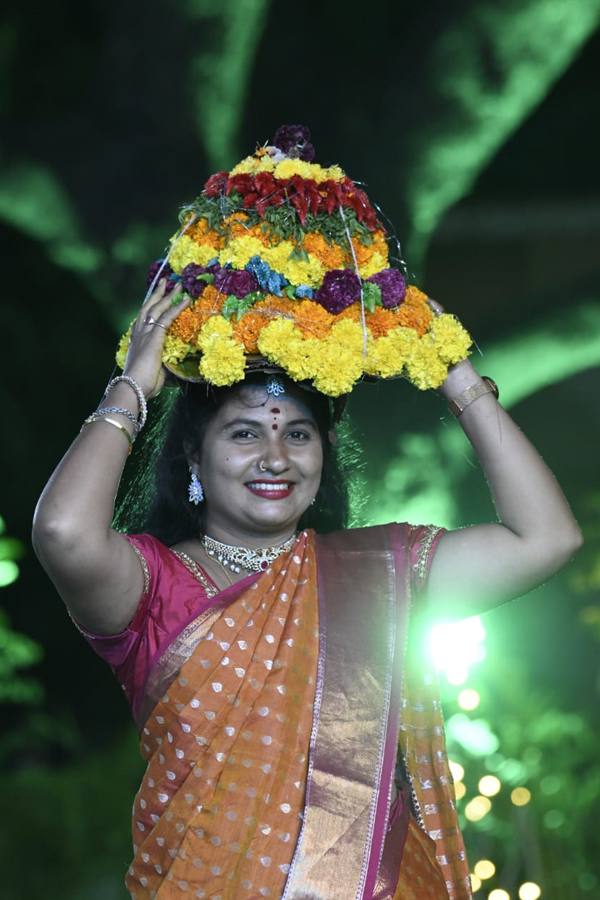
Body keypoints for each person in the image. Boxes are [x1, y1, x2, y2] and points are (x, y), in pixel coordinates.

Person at [32, 126, 582, 900]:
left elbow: (546, 538)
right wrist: (134, 389)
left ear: (323, 457)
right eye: (245, 434)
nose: (276, 456)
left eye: (298, 434)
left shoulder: (372, 572)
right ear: (193, 458)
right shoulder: (153, 589)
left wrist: (456, 377)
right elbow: (61, 531)